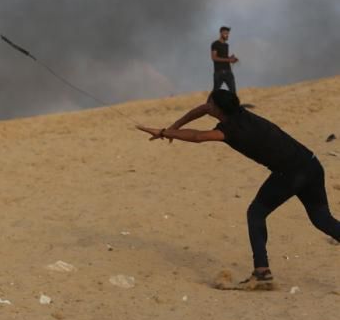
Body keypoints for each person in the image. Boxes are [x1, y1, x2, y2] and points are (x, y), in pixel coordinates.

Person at [137, 89, 340, 285]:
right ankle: (262, 271)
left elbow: (198, 137)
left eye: (210, 104)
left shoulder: (228, 130)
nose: (206, 107)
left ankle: (261, 272)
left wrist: (164, 132)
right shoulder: (240, 113)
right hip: (311, 163)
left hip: (291, 173)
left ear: (217, 110)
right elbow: (202, 109)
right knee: (322, 219)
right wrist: (174, 127)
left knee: (256, 213)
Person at [211, 26, 238, 94]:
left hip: (228, 71)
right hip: (219, 72)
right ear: (221, 33)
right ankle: (208, 104)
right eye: (225, 33)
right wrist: (229, 59)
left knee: (233, 92)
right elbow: (214, 58)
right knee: (215, 93)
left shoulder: (226, 45)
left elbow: (224, 57)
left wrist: (232, 59)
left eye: (228, 33)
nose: (227, 35)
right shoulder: (215, 44)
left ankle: (232, 104)